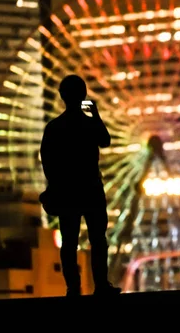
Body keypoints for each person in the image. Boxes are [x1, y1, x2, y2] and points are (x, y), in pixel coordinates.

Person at [40, 74, 121, 297]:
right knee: (98, 239)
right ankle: (101, 285)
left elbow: (47, 160)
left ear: (62, 96)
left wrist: (56, 184)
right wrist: (95, 115)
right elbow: (105, 140)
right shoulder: (88, 125)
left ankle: (73, 288)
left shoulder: (54, 128)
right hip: (91, 188)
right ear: (83, 95)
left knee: (69, 242)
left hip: (67, 191)